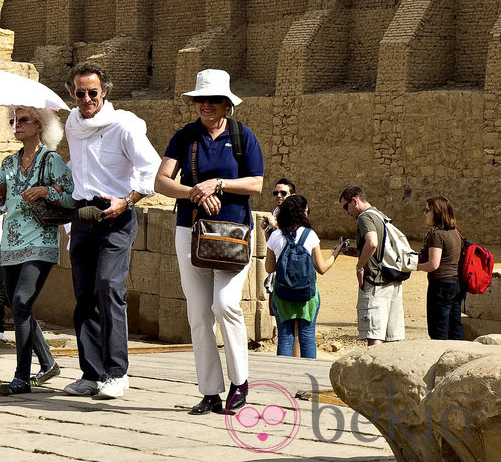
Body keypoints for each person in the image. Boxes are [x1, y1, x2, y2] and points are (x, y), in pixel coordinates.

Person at [154, 69, 264, 415]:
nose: (206, 105)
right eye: (201, 99)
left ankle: (240, 381)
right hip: (191, 230)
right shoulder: (185, 136)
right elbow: (161, 181)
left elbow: (256, 184)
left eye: (213, 100)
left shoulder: (242, 136)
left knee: (225, 304)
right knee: (199, 314)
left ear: (226, 103)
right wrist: (195, 192)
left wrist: (217, 184)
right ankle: (210, 391)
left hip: (232, 232)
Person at [63, 62, 161, 400]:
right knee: (84, 295)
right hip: (83, 216)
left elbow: (151, 167)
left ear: (105, 92)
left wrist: (127, 200)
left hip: (116, 216)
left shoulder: (123, 126)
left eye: (93, 92)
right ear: (72, 93)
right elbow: (78, 167)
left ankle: (117, 372)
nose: (87, 98)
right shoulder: (72, 124)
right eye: (80, 93)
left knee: (108, 287)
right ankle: (91, 373)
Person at [0, 106, 74, 395]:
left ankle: (21, 376)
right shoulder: (8, 163)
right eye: (13, 121)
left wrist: (46, 191)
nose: (16, 125)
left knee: (21, 302)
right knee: (18, 307)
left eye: (23, 120)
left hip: (41, 241)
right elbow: (0, 206)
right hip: (11, 243)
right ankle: (47, 363)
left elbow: (72, 198)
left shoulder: (52, 160)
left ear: (40, 126)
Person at [264, 195, 343, 358]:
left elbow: (269, 268)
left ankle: (284, 379)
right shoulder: (310, 235)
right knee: (307, 337)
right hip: (307, 294)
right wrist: (336, 253)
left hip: (283, 293)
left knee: (285, 338)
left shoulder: (275, 236)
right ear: (303, 213)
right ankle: (307, 378)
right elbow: (321, 268)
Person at [338, 186, 405, 346]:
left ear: (354, 200)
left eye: (346, 207)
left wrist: (359, 267)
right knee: (392, 340)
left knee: (374, 337)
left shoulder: (364, 218)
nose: (347, 212)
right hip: (392, 281)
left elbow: (372, 243)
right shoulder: (380, 216)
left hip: (375, 284)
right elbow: (377, 250)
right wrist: (352, 251)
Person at [416, 196, 465, 340]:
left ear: (437, 213)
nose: (424, 214)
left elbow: (433, 264)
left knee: (439, 328)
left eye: (427, 211)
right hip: (455, 282)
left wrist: (415, 266)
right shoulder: (455, 233)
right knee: (455, 325)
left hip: (440, 285)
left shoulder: (436, 235)